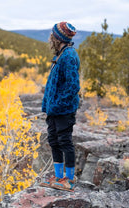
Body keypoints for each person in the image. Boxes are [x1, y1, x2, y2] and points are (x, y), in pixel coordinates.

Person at [40, 21, 80, 192]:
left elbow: (73, 86)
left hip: (63, 110)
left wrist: (56, 104)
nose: (50, 37)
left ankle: (69, 180)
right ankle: (58, 177)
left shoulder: (69, 56)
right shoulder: (60, 54)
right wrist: (50, 106)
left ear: (58, 38)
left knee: (65, 141)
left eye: (52, 35)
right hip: (54, 110)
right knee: (54, 141)